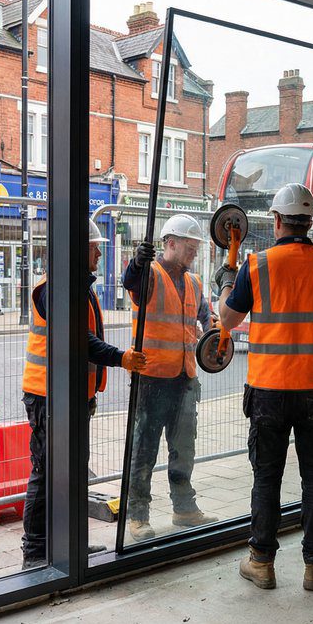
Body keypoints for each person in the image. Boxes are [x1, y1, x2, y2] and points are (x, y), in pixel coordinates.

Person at [215, 183, 313, 591]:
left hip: (269, 391)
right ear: (310, 222)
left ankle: (261, 562)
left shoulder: (255, 266)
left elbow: (227, 320)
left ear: (276, 221)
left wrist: (226, 279)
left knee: (267, 477)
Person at [20, 220, 147, 569]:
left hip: (71, 395)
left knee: (73, 470)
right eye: (94, 246)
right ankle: (34, 552)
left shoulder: (80, 286)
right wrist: (121, 358)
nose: (99, 251)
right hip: (48, 396)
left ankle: (69, 543)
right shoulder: (54, 289)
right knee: (47, 471)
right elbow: (78, 338)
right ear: (78, 249)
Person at [122, 214, 219, 541]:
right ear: (170, 244)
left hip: (184, 377)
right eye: (189, 247)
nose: (194, 252)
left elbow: (206, 318)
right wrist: (137, 261)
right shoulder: (149, 275)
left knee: (183, 448)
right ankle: (137, 515)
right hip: (152, 378)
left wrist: (215, 334)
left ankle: (184, 508)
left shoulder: (193, 282)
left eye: (196, 247)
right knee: (144, 450)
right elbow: (130, 282)